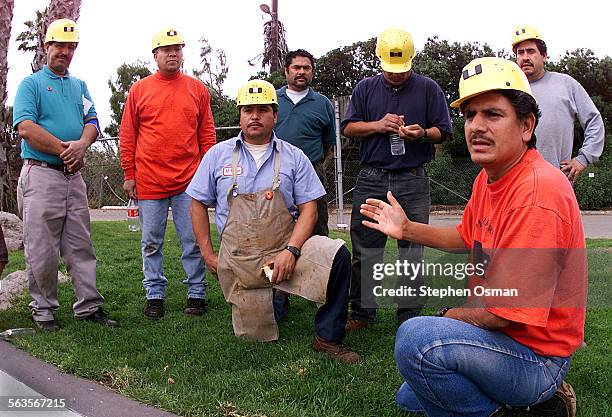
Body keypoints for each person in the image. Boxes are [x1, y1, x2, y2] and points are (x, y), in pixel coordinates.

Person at [361, 57, 586, 417]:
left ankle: (528, 402)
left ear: (527, 125)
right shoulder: (491, 175)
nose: (476, 127)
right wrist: (406, 229)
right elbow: (467, 237)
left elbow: (504, 313)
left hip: (536, 357)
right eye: (470, 115)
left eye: (492, 115)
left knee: (416, 341)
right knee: (410, 395)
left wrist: (448, 317)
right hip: (504, 339)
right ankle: (527, 406)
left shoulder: (537, 193)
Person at [187, 80, 361, 364]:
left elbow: (309, 210)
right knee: (256, 336)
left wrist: (291, 251)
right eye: (248, 110)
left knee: (338, 255)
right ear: (240, 115)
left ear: (275, 115)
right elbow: (196, 204)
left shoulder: (295, 157)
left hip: (285, 257)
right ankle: (275, 297)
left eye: (263, 110)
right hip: (241, 263)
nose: (254, 116)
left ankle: (327, 337)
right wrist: (208, 254)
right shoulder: (216, 156)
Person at [341, 27, 452, 330]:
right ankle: (362, 313)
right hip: (372, 177)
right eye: (390, 70)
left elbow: (444, 130)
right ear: (378, 61)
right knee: (365, 247)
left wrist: (422, 134)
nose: (396, 75)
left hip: (413, 179)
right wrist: (377, 125)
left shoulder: (429, 89)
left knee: (412, 250)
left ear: (412, 60)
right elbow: (348, 128)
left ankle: (408, 315)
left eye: (401, 70)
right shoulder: (365, 88)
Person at [13, 19, 117, 331]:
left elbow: (93, 121)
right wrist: (65, 150)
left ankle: (88, 306)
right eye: (59, 45)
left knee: (80, 244)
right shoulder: (30, 85)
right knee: (41, 245)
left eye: (71, 47)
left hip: (73, 176)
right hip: (41, 174)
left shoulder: (79, 86)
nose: (65, 51)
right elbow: (26, 128)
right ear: (46, 47)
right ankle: (43, 310)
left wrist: (82, 145)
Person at [119, 27, 216, 319]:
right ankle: (154, 294)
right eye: (166, 49)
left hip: (189, 181)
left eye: (177, 49)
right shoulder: (139, 90)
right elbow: (128, 135)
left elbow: (207, 134)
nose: (172, 53)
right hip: (149, 180)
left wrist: (207, 173)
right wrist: (129, 174)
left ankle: (196, 293)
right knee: (151, 242)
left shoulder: (197, 89)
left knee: (193, 239)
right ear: (155, 55)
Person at [512, 25, 604, 183]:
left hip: (557, 181)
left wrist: (583, 158)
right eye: (520, 52)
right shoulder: (510, 91)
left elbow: (594, 121)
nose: (525, 57)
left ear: (544, 55)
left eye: (531, 51)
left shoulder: (566, 84)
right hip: (515, 180)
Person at [275, 49, 336, 237]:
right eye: (296, 67)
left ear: (312, 72)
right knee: (274, 226)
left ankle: (319, 265)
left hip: (312, 172)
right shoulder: (272, 100)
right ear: (286, 71)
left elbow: (328, 145)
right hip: (275, 172)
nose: (301, 71)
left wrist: (312, 167)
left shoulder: (323, 103)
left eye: (306, 68)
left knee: (317, 228)